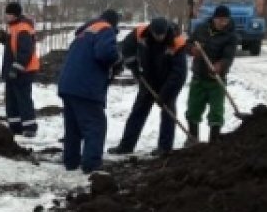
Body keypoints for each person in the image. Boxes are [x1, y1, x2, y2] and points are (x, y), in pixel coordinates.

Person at [108, 17, 188, 156]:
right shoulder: (140, 33)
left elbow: (179, 74)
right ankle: (126, 145)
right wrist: (133, 67)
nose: (159, 38)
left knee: (168, 113)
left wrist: (165, 94)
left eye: (162, 35)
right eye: (157, 35)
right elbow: (127, 48)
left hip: (168, 81)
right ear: (151, 30)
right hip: (148, 79)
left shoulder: (177, 42)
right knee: (138, 111)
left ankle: (164, 148)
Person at [57, 9, 120, 173]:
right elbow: (105, 53)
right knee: (95, 125)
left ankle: (71, 162)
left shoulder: (85, 32)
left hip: (68, 84)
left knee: (73, 127)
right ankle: (91, 166)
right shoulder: (106, 29)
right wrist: (117, 60)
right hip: (86, 87)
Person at [186, 4, 239, 143]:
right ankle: (192, 139)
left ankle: (213, 142)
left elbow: (229, 57)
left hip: (216, 80)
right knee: (193, 110)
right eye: (220, 19)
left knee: (216, 113)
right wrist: (192, 49)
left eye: (225, 20)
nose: (223, 23)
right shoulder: (201, 29)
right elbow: (188, 43)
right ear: (214, 18)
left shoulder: (231, 36)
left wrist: (220, 65)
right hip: (198, 77)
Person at [0, 1, 40, 137]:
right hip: (13, 69)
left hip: (23, 70)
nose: (6, 16)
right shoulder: (14, 27)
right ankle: (15, 126)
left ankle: (29, 127)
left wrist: (16, 68)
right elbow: (13, 47)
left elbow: (25, 51)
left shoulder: (23, 28)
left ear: (14, 15)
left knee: (23, 98)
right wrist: (5, 40)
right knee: (11, 98)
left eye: (8, 14)